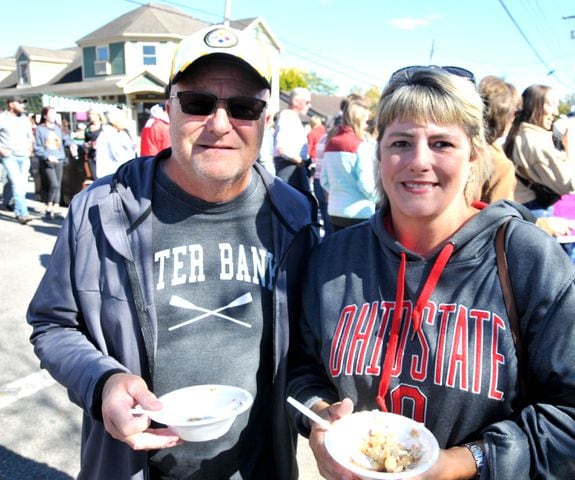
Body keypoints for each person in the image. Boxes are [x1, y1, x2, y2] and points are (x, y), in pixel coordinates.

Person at [27, 24, 318, 480]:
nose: (219, 124)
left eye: (243, 107)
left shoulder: (294, 217)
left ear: (265, 120)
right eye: (198, 103)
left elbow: (305, 350)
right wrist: (102, 383)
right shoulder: (101, 210)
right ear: (169, 110)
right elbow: (53, 324)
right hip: (131, 466)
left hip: (257, 468)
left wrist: (317, 415)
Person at [287, 66, 575, 480]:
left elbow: (567, 415)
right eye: (401, 142)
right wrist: (318, 420)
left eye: (442, 143)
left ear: (474, 154)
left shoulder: (528, 259)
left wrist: (460, 463)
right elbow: (302, 368)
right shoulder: (333, 259)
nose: (419, 161)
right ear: (379, 152)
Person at [504, 84, 575, 214]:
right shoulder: (536, 142)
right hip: (535, 209)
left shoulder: (518, 134)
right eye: (551, 105)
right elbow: (568, 184)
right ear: (534, 106)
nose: (556, 112)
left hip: (521, 205)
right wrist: (569, 147)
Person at [320, 95, 377, 232]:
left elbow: (324, 180)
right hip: (359, 212)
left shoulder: (331, 143)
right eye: (365, 121)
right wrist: (379, 198)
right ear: (358, 120)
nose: (366, 125)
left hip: (335, 211)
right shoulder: (361, 146)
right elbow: (366, 184)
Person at [478, 75, 520, 203]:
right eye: (515, 112)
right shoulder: (501, 165)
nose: (514, 118)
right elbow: (500, 218)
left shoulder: (458, 147)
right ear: (504, 115)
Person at [34, 106, 77, 220]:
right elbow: (37, 147)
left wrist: (72, 144)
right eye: (51, 114)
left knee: (58, 185)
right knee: (54, 184)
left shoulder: (58, 128)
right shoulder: (40, 129)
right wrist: (47, 156)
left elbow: (66, 138)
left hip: (60, 159)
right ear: (45, 116)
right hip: (48, 161)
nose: (54, 116)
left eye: (55, 114)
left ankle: (56, 208)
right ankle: (49, 207)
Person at [0, 96, 34, 224]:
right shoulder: (2, 118)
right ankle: (23, 213)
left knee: (21, 184)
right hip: (10, 156)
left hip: (24, 156)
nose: (22, 105)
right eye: (19, 103)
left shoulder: (25, 119)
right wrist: (1, 149)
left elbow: (30, 136)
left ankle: (14, 208)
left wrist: (30, 149)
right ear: (10, 104)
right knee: (16, 183)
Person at [273, 86, 312, 192]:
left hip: (293, 165)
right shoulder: (287, 116)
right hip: (289, 166)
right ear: (295, 101)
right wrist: (299, 161)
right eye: (307, 102)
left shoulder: (291, 117)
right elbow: (282, 149)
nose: (309, 105)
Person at [95, 108, 137, 178]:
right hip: (110, 176)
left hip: (117, 175)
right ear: (115, 121)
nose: (125, 122)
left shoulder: (119, 133)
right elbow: (120, 156)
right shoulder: (109, 134)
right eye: (123, 119)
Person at [84, 109, 103, 178]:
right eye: (89, 114)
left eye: (92, 114)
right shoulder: (88, 128)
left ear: (98, 115)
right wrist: (87, 144)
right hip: (92, 155)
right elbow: (86, 140)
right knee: (95, 177)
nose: (90, 116)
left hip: (102, 155)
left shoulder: (103, 127)